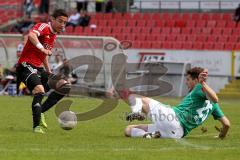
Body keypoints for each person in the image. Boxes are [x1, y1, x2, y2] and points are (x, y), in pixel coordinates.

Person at [121, 67, 230, 139]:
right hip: (177, 134)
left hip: (173, 120)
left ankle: (137, 112)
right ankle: (149, 135)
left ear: (196, 80)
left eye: (188, 79)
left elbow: (215, 98)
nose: (186, 82)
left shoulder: (199, 87)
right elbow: (226, 124)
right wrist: (221, 136)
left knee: (141, 99)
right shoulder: (214, 107)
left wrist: (202, 83)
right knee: (129, 130)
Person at [16, 9, 69, 134]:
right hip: (25, 65)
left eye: (65, 22)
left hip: (39, 69)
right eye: (60, 21)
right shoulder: (44, 26)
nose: (62, 25)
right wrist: (42, 48)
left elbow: (43, 55)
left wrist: (48, 70)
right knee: (39, 90)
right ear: (53, 19)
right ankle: (37, 126)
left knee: (64, 86)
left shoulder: (53, 35)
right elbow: (31, 35)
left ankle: (41, 112)